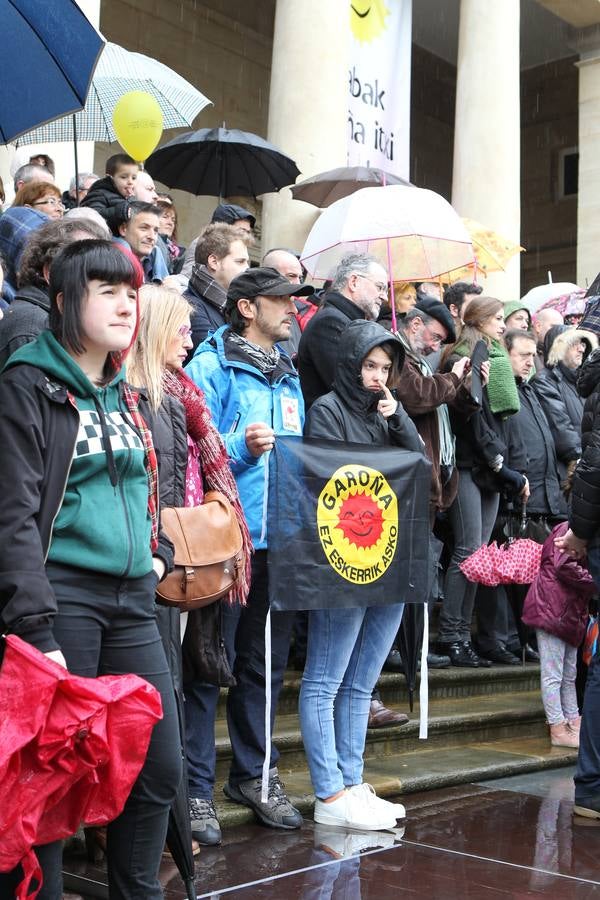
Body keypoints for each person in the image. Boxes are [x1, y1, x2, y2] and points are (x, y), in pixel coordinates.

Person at [0, 239, 181, 898]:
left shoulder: (127, 390)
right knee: (50, 783)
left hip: (133, 601)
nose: (127, 305)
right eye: (108, 292)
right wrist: (34, 624)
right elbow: (13, 514)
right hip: (61, 601)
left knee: (158, 769)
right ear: (65, 300)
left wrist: (158, 554)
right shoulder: (27, 384)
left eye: (132, 292)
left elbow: (147, 486)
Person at [185, 267, 307, 837]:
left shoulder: (288, 372)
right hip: (223, 543)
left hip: (276, 543)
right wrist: (241, 445)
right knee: (207, 666)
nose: (292, 310)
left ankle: (255, 777)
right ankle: (194, 790)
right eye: (281, 300)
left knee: (264, 666)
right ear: (247, 308)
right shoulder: (209, 366)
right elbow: (190, 452)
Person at [302, 320, 422, 830]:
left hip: (387, 559)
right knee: (325, 680)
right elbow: (328, 479)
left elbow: (417, 463)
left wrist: (400, 419)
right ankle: (329, 791)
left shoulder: (386, 412)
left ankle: (351, 782)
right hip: (343, 560)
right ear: (352, 365)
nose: (378, 377)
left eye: (386, 368)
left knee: (361, 682)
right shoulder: (326, 410)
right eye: (370, 366)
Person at [436, 297, 529, 666]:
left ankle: (462, 636)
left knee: (479, 556)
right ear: (478, 319)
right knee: (467, 552)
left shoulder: (494, 357)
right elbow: (470, 419)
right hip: (467, 464)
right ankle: (452, 636)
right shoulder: (462, 355)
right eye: (497, 318)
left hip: (487, 468)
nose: (503, 325)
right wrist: (497, 461)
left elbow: (494, 418)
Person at [0, 217, 109, 369]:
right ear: (51, 271)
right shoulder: (33, 330)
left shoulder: (54, 319)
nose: (103, 280)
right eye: (88, 268)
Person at [522, 521, 595, 748]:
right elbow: (563, 564)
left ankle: (573, 720)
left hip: (568, 613)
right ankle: (557, 727)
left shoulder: (581, 530)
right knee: (553, 673)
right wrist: (594, 581)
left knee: (569, 673)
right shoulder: (569, 529)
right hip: (552, 609)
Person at [297, 253, 389, 410]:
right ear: (354, 282)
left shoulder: (347, 322)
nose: (385, 297)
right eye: (380, 287)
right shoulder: (330, 322)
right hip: (332, 424)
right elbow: (352, 389)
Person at [532, 327, 596, 482]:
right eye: (575, 343)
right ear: (558, 348)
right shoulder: (544, 381)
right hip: (565, 473)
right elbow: (560, 427)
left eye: (583, 344)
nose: (581, 349)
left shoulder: (582, 382)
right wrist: (585, 461)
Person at [183, 223, 251, 356]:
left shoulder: (233, 306)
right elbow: (220, 358)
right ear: (214, 262)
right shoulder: (190, 308)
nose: (247, 269)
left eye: (247, 262)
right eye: (240, 261)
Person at [180, 203, 256, 281]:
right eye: (241, 231)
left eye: (248, 232)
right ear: (223, 228)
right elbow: (187, 276)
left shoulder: (240, 249)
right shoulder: (203, 243)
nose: (246, 236)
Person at [81, 152, 138, 233]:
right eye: (124, 177)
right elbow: (93, 215)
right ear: (110, 178)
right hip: (106, 236)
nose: (130, 182)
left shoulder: (131, 197)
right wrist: (118, 211)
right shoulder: (99, 193)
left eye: (134, 178)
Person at [115, 201, 169, 283]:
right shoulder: (109, 266)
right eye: (144, 228)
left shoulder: (153, 259)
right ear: (123, 229)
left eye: (155, 231)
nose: (152, 237)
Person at [157, 195, 186, 274]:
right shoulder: (152, 245)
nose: (170, 223)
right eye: (165, 217)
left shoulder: (178, 252)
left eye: (173, 220)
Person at [531, 307, 564, 372]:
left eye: (561, 328)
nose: (559, 331)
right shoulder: (524, 349)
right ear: (538, 326)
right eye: (555, 327)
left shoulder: (559, 352)